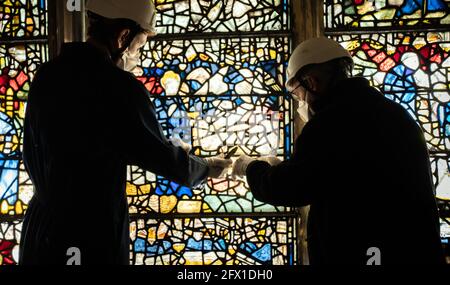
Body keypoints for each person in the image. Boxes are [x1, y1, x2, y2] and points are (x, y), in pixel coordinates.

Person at [20, 0, 231, 265]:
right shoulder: (119, 87)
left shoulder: (47, 74)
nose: (138, 53)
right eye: (140, 45)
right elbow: (162, 157)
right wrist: (205, 168)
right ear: (123, 36)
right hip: (89, 234)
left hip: (40, 230)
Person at [232, 37, 445, 264]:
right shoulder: (394, 112)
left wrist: (251, 167)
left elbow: (290, 187)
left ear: (311, 83)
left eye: (296, 93)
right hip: (413, 250)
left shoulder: (330, 122)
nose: (299, 103)